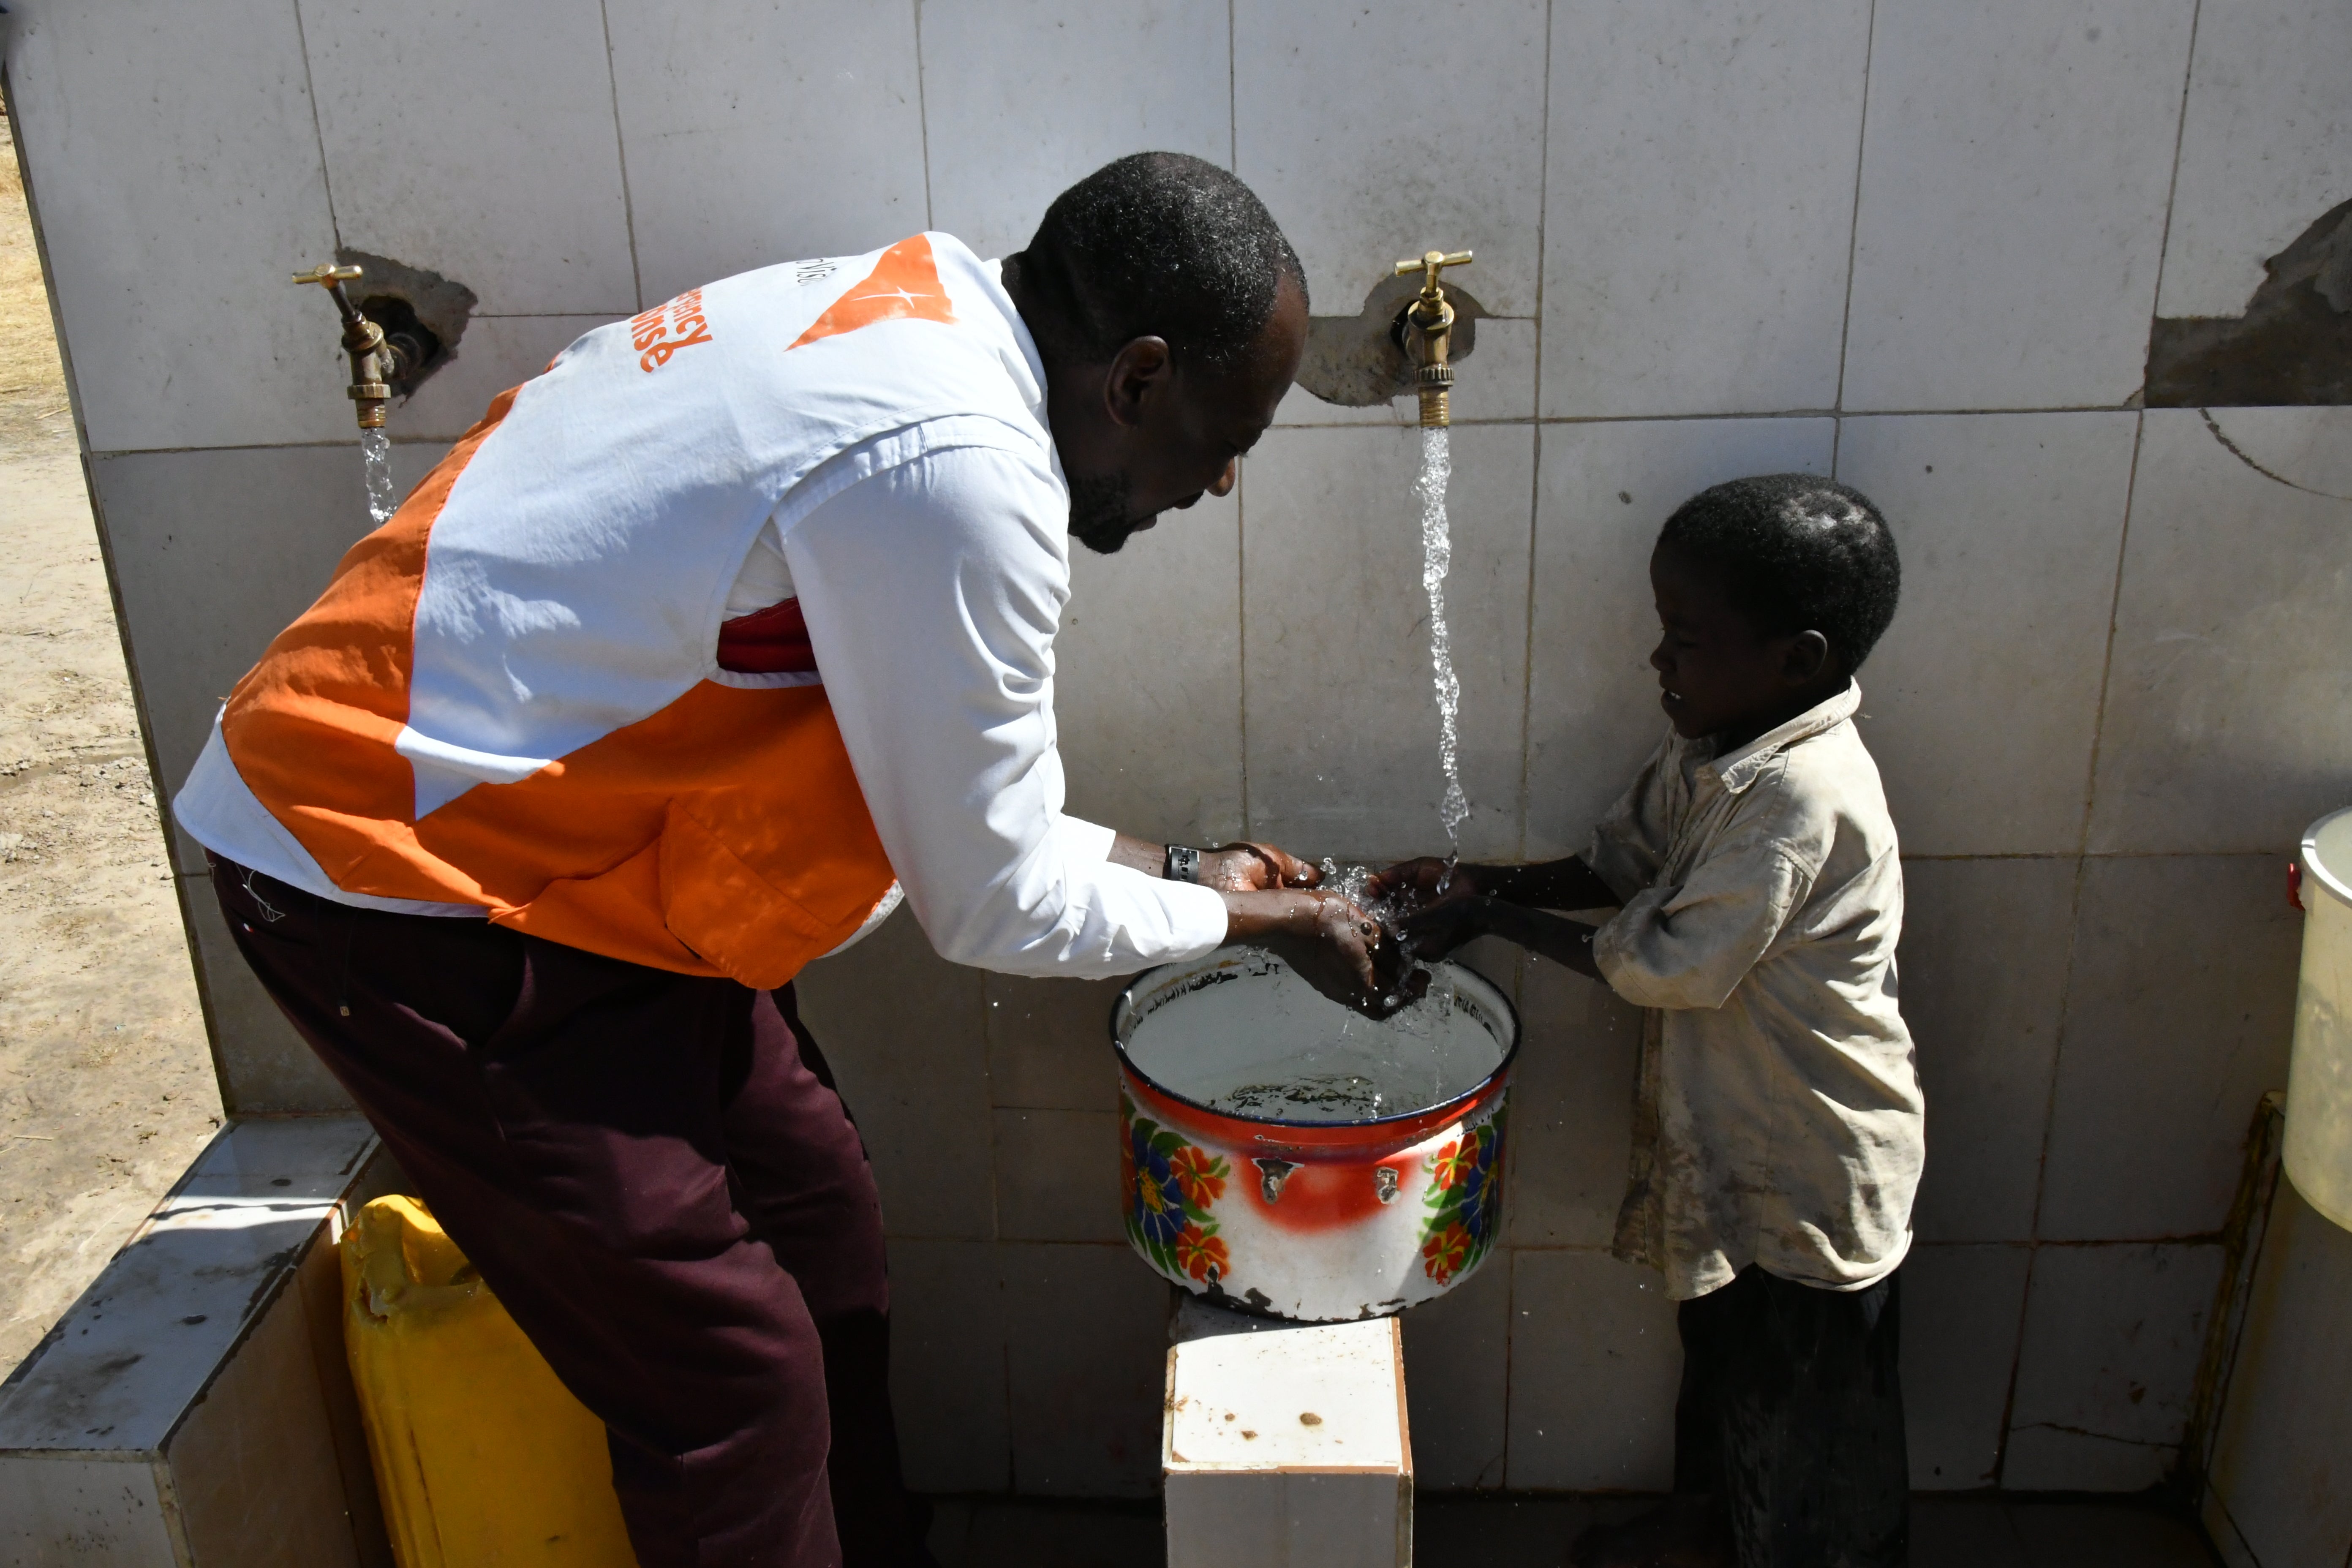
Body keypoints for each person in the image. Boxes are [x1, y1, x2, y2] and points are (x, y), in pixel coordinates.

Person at [173, 153, 1407, 1568]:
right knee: (726, 1379)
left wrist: (1198, 865)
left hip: (579, 862)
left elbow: (960, 807)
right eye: (1228, 430)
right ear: (1134, 380)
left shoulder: (931, 305)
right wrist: (1263, 926)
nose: (1229, 478)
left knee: (818, 1222)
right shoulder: (959, 478)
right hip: (393, 873)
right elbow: (990, 898)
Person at [1386, 474, 1921, 1568]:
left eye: (1684, 639)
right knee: (1726, 1362)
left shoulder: (1798, 800)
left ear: (1798, 660)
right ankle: (1708, 1527)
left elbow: (1664, 964)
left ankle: (1784, 1546)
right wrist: (1481, 877)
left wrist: (1488, 918)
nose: (1658, 663)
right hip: (1747, 1148)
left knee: (1809, 1429)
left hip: (1816, 1170)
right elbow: (1620, 865)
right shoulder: (1722, 752)